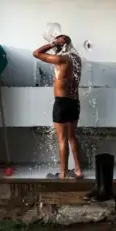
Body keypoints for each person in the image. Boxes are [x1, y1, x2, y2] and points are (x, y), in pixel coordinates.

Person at [32, 35, 83, 179]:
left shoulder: (62, 59)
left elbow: (36, 53)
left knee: (62, 140)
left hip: (62, 103)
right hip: (75, 102)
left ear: (59, 46)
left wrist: (52, 43)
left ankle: (63, 174)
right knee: (72, 137)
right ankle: (78, 170)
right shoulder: (76, 59)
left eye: (56, 45)